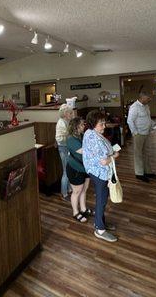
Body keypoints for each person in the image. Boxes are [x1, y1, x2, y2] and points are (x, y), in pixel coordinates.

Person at [82, 110, 119, 243]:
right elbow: (104, 161)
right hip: (99, 172)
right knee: (102, 200)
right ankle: (99, 229)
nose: (104, 126)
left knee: (102, 198)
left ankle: (101, 221)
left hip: (98, 171)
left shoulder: (92, 132)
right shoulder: (93, 137)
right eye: (101, 124)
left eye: (104, 123)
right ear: (93, 124)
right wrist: (115, 155)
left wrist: (111, 151)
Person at [127, 91, 156, 182]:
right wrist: (135, 132)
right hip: (139, 134)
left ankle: (148, 171)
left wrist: (152, 125)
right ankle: (139, 173)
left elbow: (148, 118)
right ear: (142, 98)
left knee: (146, 153)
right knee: (138, 154)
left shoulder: (146, 106)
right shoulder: (134, 107)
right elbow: (129, 121)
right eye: (148, 98)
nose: (149, 100)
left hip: (146, 132)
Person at [66, 117, 91, 223]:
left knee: (84, 190)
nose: (83, 126)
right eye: (81, 125)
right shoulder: (71, 139)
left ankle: (83, 209)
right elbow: (84, 151)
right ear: (76, 127)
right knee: (76, 191)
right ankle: (75, 212)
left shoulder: (81, 136)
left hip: (85, 168)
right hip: (75, 169)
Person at [55, 104, 74, 201]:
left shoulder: (67, 121)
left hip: (67, 148)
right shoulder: (61, 123)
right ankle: (64, 193)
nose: (72, 114)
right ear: (65, 113)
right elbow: (59, 138)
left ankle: (70, 189)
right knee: (65, 171)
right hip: (63, 148)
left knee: (69, 169)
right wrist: (69, 134)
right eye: (70, 113)